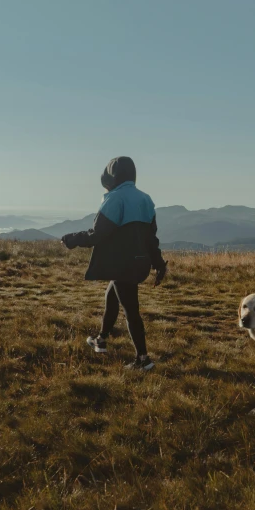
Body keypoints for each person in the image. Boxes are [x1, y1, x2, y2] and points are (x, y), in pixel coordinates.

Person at [61, 156, 167, 370]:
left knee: (131, 311)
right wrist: (159, 263)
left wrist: (71, 239)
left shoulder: (115, 199)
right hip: (139, 263)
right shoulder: (145, 199)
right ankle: (101, 340)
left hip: (121, 264)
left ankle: (143, 360)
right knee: (112, 294)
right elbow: (151, 238)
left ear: (112, 175)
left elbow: (96, 235)